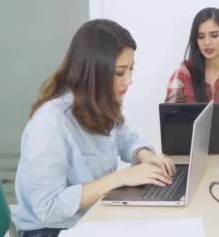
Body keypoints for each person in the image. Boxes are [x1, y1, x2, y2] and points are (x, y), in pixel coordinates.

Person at [14, 20, 175, 237]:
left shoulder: (101, 103)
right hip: (49, 230)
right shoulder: (49, 124)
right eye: (120, 72)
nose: (129, 81)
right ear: (93, 71)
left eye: (131, 69)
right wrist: (122, 177)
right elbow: (49, 209)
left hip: (91, 217)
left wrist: (145, 156)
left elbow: (126, 140)